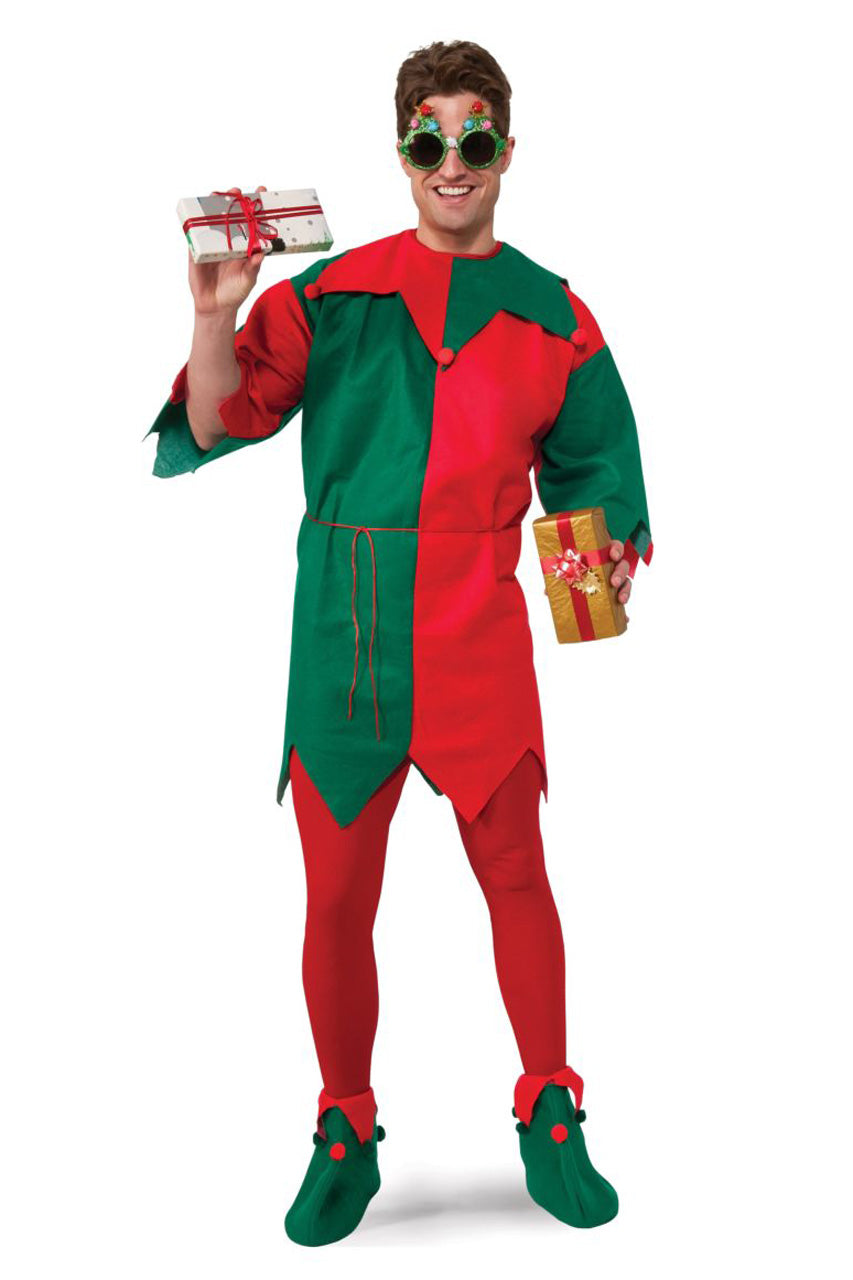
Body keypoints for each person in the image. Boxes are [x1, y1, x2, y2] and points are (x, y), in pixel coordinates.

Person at [145, 39, 653, 1247]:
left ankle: (550, 1108)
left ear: (507, 151)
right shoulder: (328, 295)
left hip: (478, 622)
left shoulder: (555, 314)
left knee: (517, 872)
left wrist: (594, 582)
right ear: (402, 151)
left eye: (474, 137)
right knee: (335, 896)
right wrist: (214, 315)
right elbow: (218, 419)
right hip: (346, 628)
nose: (452, 160)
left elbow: (595, 468)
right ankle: (345, 1126)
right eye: (430, 138)